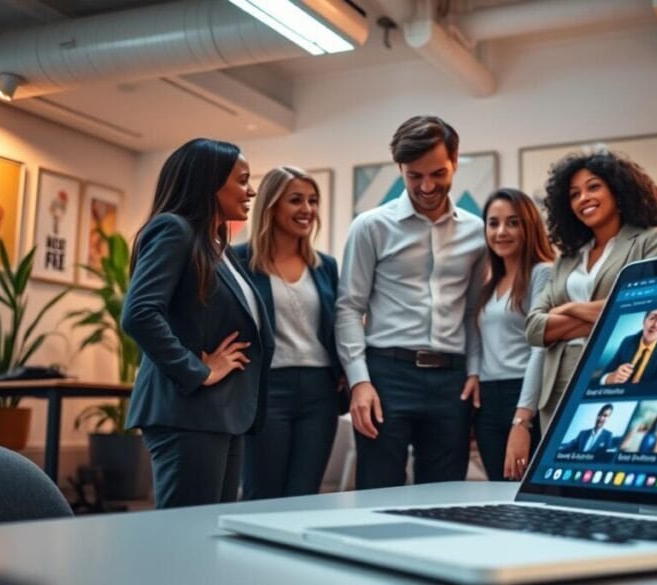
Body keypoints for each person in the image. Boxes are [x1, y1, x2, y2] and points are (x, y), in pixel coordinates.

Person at [122, 138, 274, 508]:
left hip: (222, 414)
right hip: (188, 412)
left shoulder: (217, 244)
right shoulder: (174, 230)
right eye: (242, 180)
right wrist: (198, 370)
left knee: (207, 534)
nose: (251, 190)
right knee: (182, 537)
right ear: (209, 182)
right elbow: (139, 313)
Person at [336, 116, 485, 489]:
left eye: (438, 173)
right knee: (378, 492)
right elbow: (350, 307)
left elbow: (473, 311)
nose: (427, 186)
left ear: (455, 161)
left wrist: (474, 370)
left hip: (452, 380)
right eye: (414, 176)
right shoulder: (370, 227)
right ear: (400, 168)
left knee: (444, 496)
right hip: (388, 375)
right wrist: (359, 382)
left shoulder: (478, 232)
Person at [523, 151, 657, 430]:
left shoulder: (652, 240)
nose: (583, 198)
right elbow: (534, 329)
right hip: (559, 385)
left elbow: (639, 310)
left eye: (593, 187)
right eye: (574, 194)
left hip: (615, 373)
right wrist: (606, 313)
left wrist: (567, 308)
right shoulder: (566, 259)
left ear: (618, 191)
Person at [234, 166, 344, 499]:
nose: (307, 209)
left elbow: (338, 323)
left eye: (313, 201)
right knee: (261, 493)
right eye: (296, 200)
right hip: (267, 390)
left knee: (304, 494)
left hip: (320, 391)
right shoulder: (239, 260)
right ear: (271, 206)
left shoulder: (325, 266)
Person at [471, 188, 553, 482]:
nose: (501, 231)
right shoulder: (489, 284)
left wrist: (523, 418)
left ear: (528, 226)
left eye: (512, 222)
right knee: (498, 489)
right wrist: (473, 376)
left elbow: (540, 347)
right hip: (487, 403)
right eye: (493, 223)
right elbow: (478, 342)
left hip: (524, 395)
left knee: (525, 490)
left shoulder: (542, 273)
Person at [599, 306, 657, 385]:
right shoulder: (628, 341)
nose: (656, 324)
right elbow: (604, 374)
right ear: (644, 319)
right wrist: (610, 378)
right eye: (653, 317)